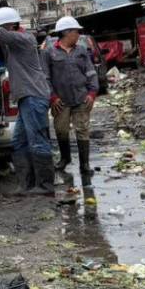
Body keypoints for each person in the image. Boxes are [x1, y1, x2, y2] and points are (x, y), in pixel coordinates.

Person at [0, 2, 55, 195]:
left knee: (37, 141)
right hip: (26, 97)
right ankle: (26, 185)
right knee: (19, 141)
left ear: (10, 26)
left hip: (33, 96)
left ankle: (45, 186)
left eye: (2, 26)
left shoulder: (23, 38)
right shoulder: (14, 41)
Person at [45, 17, 99, 177]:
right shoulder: (49, 52)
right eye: (76, 31)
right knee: (61, 130)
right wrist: (52, 97)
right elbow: (45, 78)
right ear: (66, 33)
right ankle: (65, 158)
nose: (78, 34)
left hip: (81, 98)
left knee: (82, 129)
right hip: (60, 101)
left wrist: (92, 93)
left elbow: (91, 72)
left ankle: (84, 164)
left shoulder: (81, 51)